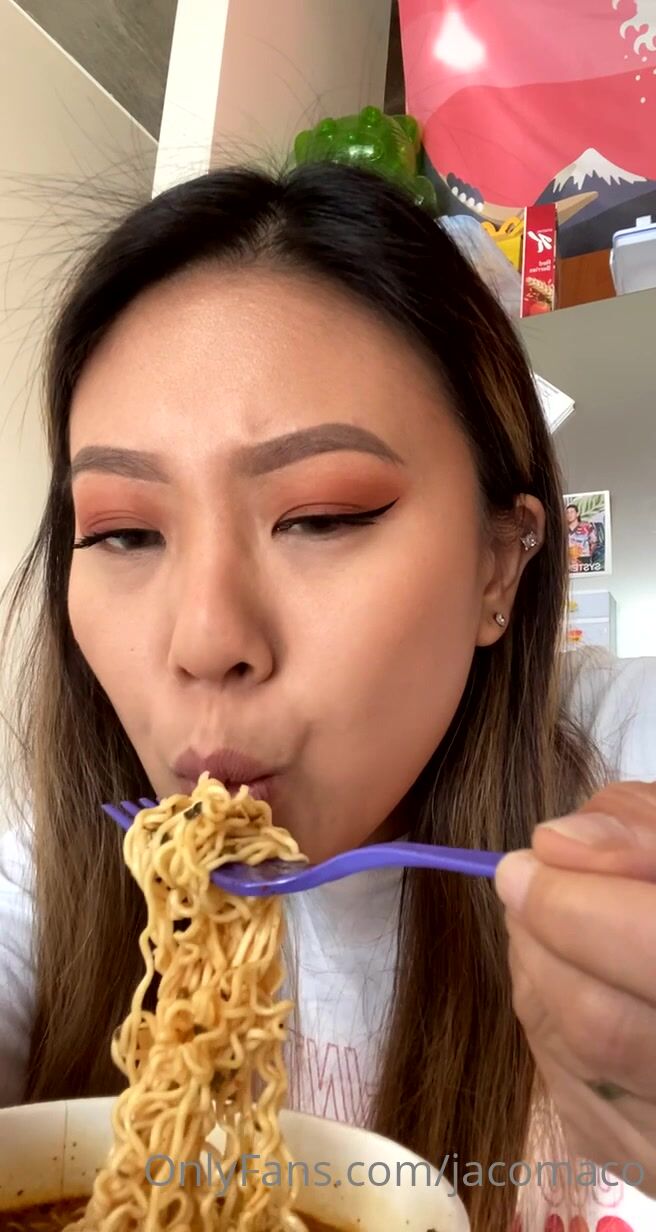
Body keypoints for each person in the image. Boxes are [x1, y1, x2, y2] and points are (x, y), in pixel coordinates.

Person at [0, 163, 654, 1232]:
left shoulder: (624, 754)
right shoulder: (52, 856)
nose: (207, 639)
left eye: (321, 517)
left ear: (499, 563)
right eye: (124, 531)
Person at [566, 503, 598, 572]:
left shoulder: (587, 526)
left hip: (584, 558)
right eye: (567, 512)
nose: (569, 514)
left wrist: (588, 554)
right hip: (568, 560)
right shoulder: (563, 529)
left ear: (577, 514)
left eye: (572, 512)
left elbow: (594, 542)